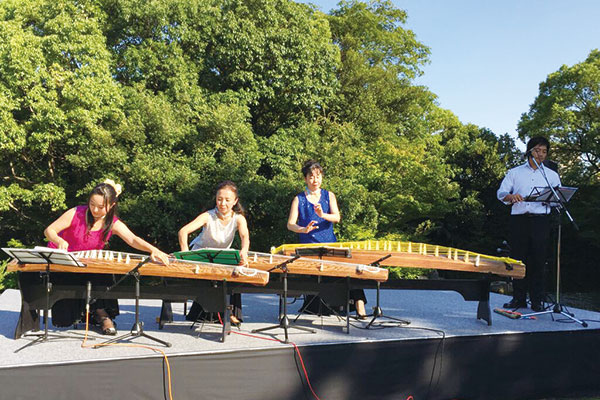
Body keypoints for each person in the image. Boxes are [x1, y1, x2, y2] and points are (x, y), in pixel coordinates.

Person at [44, 180, 170, 334]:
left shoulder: (112, 223)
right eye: (92, 204)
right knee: (65, 314)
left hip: (89, 264)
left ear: (111, 206)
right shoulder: (76, 213)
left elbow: (132, 239)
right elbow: (49, 230)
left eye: (100, 207)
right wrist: (59, 240)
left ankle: (102, 315)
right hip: (64, 263)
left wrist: (153, 250)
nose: (95, 210)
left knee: (104, 273)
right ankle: (92, 313)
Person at [287, 160, 368, 318]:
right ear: (305, 179)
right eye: (311, 177)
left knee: (348, 268)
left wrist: (322, 215)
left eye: (318, 176)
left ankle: (359, 303)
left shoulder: (328, 195)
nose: (315, 180)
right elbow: (290, 224)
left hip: (330, 243)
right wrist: (303, 229)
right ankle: (320, 305)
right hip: (308, 247)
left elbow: (337, 217)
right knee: (316, 273)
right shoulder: (299, 199)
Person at [497, 136, 561, 312]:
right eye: (537, 150)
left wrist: (551, 200)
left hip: (541, 220)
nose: (541, 155)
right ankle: (518, 299)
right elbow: (501, 193)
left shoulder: (552, 176)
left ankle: (537, 300)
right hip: (520, 220)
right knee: (518, 260)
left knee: (539, 260)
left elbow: (558, 200)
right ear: (529, 151)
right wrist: (510, 197)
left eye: (544, 151)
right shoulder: (515, 172)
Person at [178, 180, 250, 326]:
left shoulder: (238, 219)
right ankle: (207, 312)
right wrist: (185, 253)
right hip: (200, 255)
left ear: (235, 201)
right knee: (208, 278)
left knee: (236, 271)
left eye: (227, 200)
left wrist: (244, 251)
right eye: (219, 199)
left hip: (220, 255)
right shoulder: (208, 216)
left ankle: (228, 312)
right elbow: (183, 231)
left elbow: (245, 237)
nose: (223, 203)